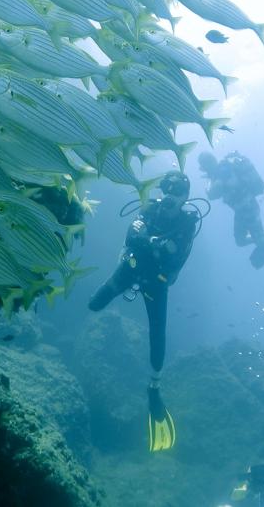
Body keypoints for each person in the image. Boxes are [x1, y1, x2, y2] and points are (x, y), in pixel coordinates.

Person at [88, 170, 200, 452]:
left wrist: (151, 242)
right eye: (169, 191)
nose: (172, 198)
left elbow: (176, 254)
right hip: (130, 270)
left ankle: (154, 388)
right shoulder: (148, 208)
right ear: (162, 191)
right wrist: (152, 243)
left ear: (186, 198)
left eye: (179, 193)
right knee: (94, 303)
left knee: (157, 335)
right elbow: (133, 234)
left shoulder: (188, 222)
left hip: (157, 283)